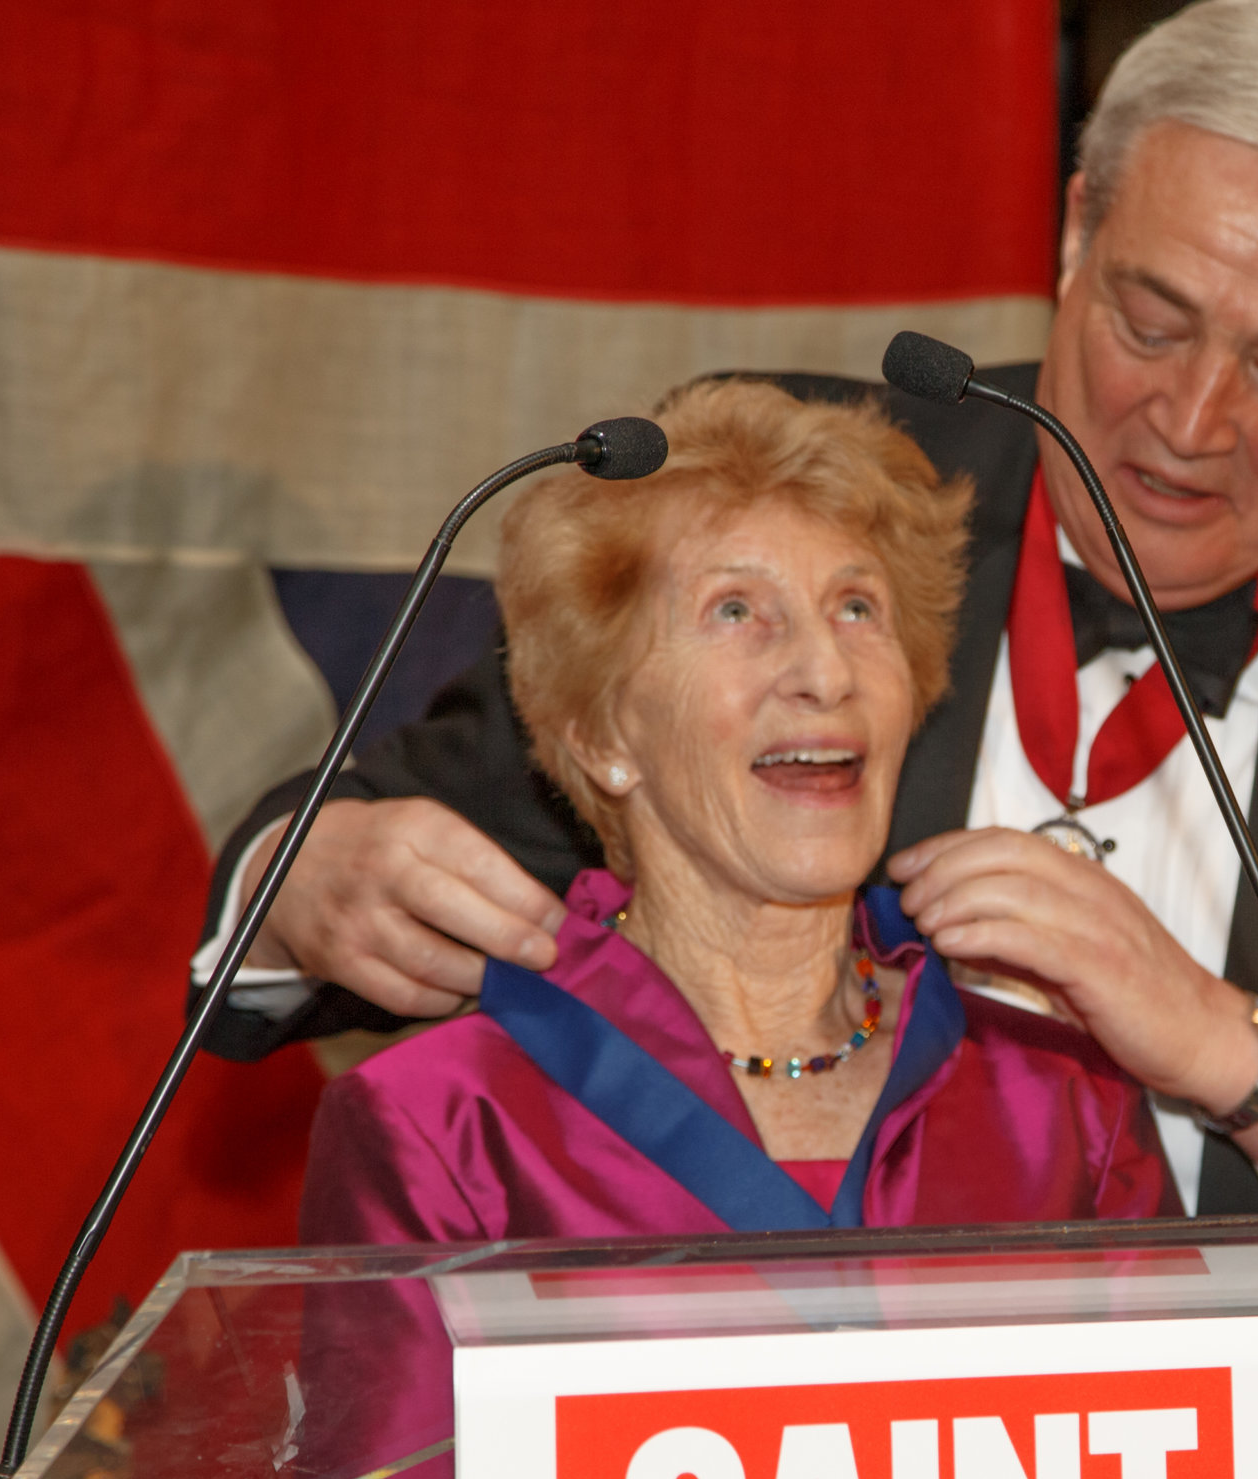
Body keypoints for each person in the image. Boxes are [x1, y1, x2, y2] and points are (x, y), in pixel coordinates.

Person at [205, 0, 1258, 1217]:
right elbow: (362, 839)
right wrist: (295, 882)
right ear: (1074, 233)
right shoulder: (805, 502)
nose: (1195, 419)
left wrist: (1231, 1047)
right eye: (1152, 318)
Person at [298, 377, 1180, 1247]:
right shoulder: (444, 1126)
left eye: (857, 608)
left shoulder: (1067, 1103)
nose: (826, 673)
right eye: (735, 610)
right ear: (604, 733)